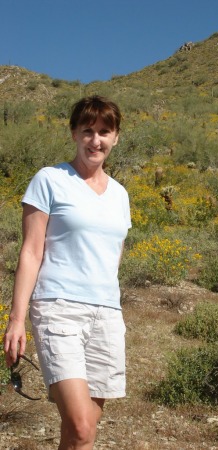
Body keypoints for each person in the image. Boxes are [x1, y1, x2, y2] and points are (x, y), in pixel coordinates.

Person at [3, 95, 131, 450]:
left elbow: (114, 257)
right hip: (59, 308)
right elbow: (31, 251)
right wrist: (17, 319)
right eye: (88, 130)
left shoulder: (120, 195)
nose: (96, 140)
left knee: (84, 431)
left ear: (116, 137)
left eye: (105, 131)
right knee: (79, 425)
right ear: (74, 133)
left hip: (106, 315)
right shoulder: (50, 180)